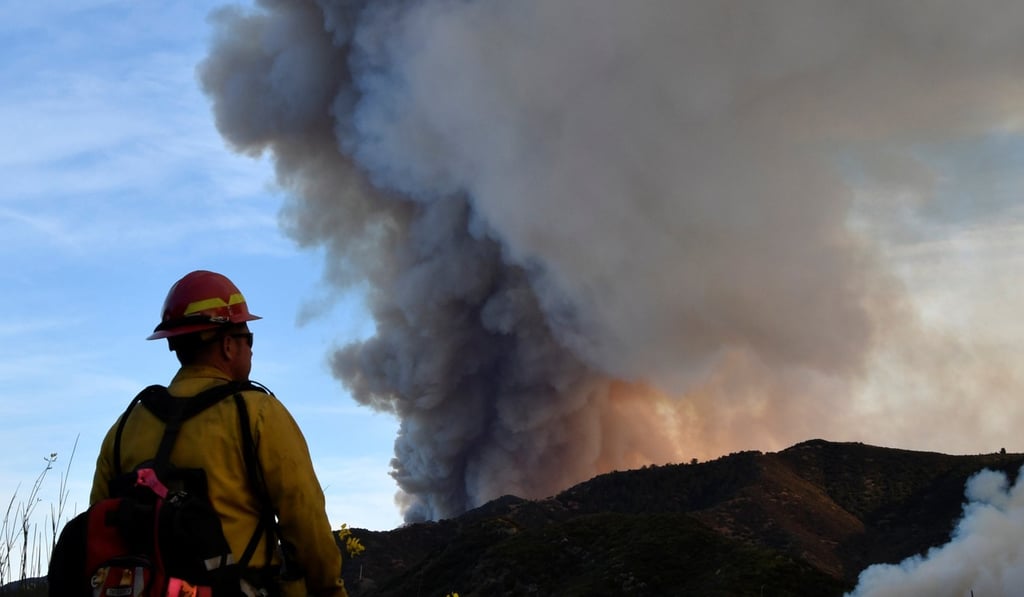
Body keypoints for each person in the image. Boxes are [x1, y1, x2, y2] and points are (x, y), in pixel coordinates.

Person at [90, 270, 348, 596]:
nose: (251, 349)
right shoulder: (258, 414)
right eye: (248, 337)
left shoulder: (125, 427)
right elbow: (305, 521)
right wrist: (330, 590)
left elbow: (101, 526)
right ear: (227, 345)